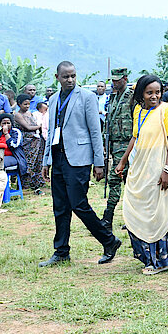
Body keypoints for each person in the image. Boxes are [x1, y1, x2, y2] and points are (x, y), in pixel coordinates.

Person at [38, 61, 121, 268]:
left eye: (73, 76)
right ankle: (61, 252)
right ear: (57, 77)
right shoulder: (53, 99)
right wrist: (46, 161)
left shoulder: (87, 97)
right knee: (60, 207)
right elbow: (51, 132)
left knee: (78, 204)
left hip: (79, 160)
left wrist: (99, 162)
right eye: (66, 76)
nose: (70, 80)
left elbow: (95, 131)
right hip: (58, 158)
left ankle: (109, 241)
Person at [113, 75, 168, 275]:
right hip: (141, 168)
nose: (154, 96)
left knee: (158, 212)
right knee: (140, 210)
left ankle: (160, 260)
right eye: (149, 92)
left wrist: (167, 170)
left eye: (157, 92)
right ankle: (147, 257)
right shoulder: (138, 110)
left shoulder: (166, 110)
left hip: (160, 167)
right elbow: (135, 137)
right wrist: (123, 161)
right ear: (141, 94)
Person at [102, 68, 133, 232]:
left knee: (121, 180)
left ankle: (110, 217)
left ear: (125, 79)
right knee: (121, 180)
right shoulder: (113, 98)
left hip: (127, 144)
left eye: (118, 80)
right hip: (114, 144)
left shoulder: (132, 97)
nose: (114, 82)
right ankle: (114, 217)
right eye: (113, 80)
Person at [14, 94, 45, 193]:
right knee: (28, 162)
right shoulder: (18, 115)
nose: (27, 106)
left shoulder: (30, 113)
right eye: (25, 104)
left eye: (28, 104)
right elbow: (28, 127)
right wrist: (40, 126)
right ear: (19, 104)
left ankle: (37, 182)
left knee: (38, 161)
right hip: (26, 141)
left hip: (36, 140)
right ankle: (26, 183)